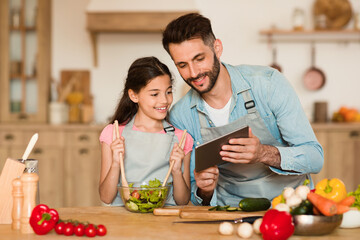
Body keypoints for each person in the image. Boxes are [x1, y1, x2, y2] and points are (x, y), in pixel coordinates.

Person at [162, 13, 324, 206]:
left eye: (199, 59)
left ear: (217, 48)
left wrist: (263, 153)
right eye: (182, 65)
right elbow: (194, 197)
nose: (193, 73)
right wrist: (204, 189)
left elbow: (315, 158)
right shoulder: (181, 115)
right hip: (230, 210)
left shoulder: (268, 84)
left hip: (290, 203)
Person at [99, 56, 193, 206]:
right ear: (134, 95)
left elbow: (182, 201)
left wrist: (176, 171)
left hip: (164, 222)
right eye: (155, 94)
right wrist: (116, 163)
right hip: (123, 222)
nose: (164, 100)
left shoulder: (182, 138)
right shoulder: (113, 133)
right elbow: (106, 197)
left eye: (168, 92)